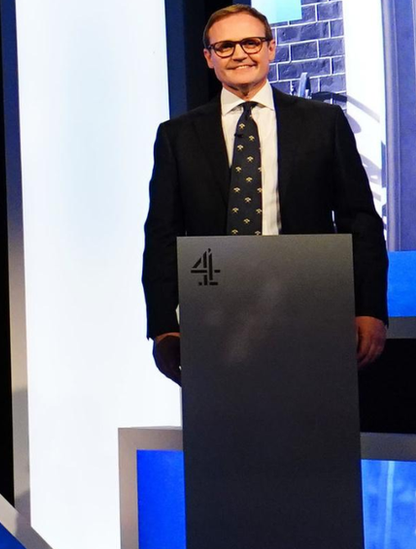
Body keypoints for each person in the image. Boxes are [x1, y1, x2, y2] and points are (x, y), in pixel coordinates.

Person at [142, 6, 388, 384]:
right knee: (228, 434)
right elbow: (161, 235)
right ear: (208, 58)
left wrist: (371, 307)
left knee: (313, 429)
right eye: (224, 46)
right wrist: (163, 326)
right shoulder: (177, 136)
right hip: (214, 314)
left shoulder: (323, 123)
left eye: (251, 42)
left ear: (271, 48)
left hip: (311, 304)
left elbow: (360, 219)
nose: (240, 54)